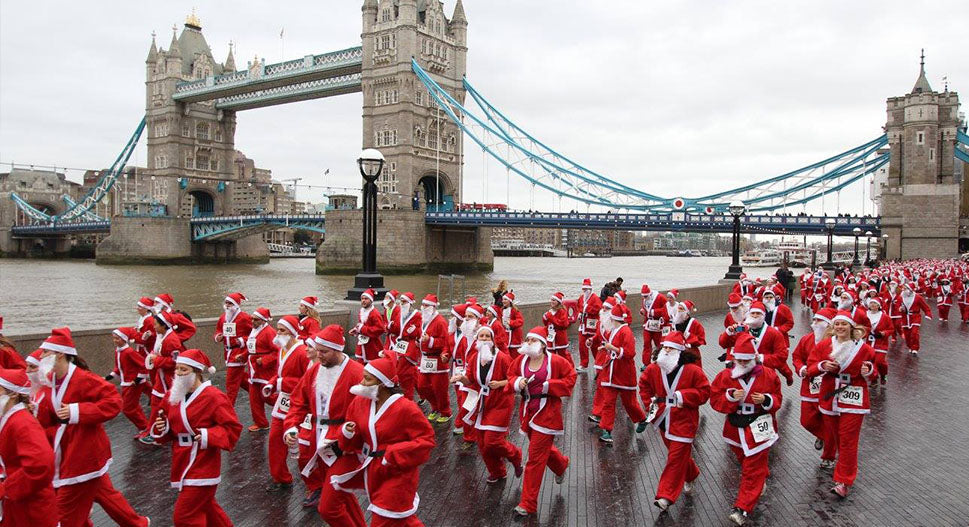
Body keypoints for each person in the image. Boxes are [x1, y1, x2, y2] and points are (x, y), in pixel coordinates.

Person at [34, 327, 149, 527]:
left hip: (83, 454)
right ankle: (138, 524)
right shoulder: (51, 380)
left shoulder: (83, 379)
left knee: (64, 514)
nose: (41, 355)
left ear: (60, 353)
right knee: (106, 495)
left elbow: (114, 402)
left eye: (45, 351)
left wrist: (77, 411)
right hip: (70, 453)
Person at [331, 356, 437, 527]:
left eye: (367, 378)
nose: (362, 383)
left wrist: (394, 454)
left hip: (398, 473)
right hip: (374, 471)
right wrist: (347, 432)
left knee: (384, 518)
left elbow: (427, 440)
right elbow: (350, 441)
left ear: (382, 383)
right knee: (403, 520)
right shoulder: (360, 402)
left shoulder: (406, 408)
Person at [284, 325, 366, 525]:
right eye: (317, 350)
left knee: (329, 506)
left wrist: (350, 441)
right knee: (342, 493)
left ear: (338, 350)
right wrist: (291, 426)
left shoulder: (356, 373)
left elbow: (365, 412)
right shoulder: (314, 371)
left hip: (342, 443)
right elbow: (298, 401)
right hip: (317, 438)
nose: (318, 356)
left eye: (323, 352)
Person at [151, 348, 242, 527]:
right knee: (208, 508)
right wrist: (163, 428)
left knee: (185, 516)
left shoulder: (214, 397)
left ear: (197, 372)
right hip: (181, 459)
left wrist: (207, 435)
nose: (178, 374)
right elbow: (162, 422)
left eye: (184, 370)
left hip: (203, 463)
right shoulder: (173, 395)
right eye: (177, 369)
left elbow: (232, 429)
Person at [710, 333, 783, 526]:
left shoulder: (769, 374)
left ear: (754, 358)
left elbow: (778, 399)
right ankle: (760, 478)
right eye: (739, 359)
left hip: (759, 424)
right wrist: (730, 397)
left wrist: (767, 400)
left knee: (752, 468)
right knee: (745, 460)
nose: (742, 363)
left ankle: (742, 508)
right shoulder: (725, 376)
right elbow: (715, 400)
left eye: (746, 359)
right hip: (735, 426)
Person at [805, 311, 876, 498]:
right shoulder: (825, 345)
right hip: (830, 395)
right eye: (837, 324)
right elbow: (810, 368)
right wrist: (822, 367)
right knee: (836, 438)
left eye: (844, 324)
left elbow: (875, 371)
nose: (840, 328)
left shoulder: (864, 349)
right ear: (833, 327)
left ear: (852, 327)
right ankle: (841, 465)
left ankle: (843, 480)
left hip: (854, 397)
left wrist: (868, 370)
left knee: (848, 441)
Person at [638, 332, 710, 513]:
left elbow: (704, 392)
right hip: (663, 419)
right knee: (677, 454)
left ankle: (665, 496)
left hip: (684, 419)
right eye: (665, 347)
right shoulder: (654, 369)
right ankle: (692, 473)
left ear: (679, 351)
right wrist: (649, 403)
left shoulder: (693, 370)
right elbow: (644, 384)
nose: (667, 350)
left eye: (671, 348)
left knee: (675, 458)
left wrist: (683, 396)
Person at [507, 327, 577, 517]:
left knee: (535, 457)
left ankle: (528, 503)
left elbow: (571, 377)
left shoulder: (555, 361)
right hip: (528, 413)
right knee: (542, 449)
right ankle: (561, 464)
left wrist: (550, 386)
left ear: (542, 344)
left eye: (532, 340)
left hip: (548, 414)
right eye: (527, 339)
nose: (528, 343)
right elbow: (510, 375)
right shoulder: (520, 361)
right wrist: (517, 382)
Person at [450, 325, 523, 483]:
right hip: (482, 403)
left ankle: (515, 454)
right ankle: (497, 471)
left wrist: (501, 383)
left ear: (492, 340)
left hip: (500, 402)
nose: (483, 339)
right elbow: (470, 379)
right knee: (483, 444)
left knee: (492, 441)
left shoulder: (503, 358)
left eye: (487, 337)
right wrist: (459, 378)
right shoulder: (474, 358)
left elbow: (514, 378)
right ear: (476, 339)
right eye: (481, 336)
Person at [0, 367, 57, 527]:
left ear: (13, 394)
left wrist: (7, 488)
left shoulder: (22, 423)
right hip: (20, 502)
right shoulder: (11, 417)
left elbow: (41, 465)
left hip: (31, 507)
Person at [261, 313, 308, 490]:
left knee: (303, 443)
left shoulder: (303, 353)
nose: (278, 333)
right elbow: (280, 374)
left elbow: (307, 381)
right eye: (278, 330)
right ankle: (280, 477)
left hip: (299, 406)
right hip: (283, 402)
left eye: (282, 330)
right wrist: (272, 384)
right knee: (274, 440)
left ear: (292, 332)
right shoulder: (282, 349)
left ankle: (314, 481)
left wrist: (281, 383)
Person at [595, 304, 648, 443]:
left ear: (613, 318)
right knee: (608, 402)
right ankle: (606, 431)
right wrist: (605, 348)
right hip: (611, 373)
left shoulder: (626, 332)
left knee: (629, 402)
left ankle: (642, 419)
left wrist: (611, 348)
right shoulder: (613, 330)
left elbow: (630, 353)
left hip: (624, 373)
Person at [791, 308, 835, 451]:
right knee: (807, 421)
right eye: (814, 320)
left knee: (829, 421)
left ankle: (829, 454)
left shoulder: (836, 342)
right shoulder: (806, 339)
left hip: (830, 388)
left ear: (829, 324)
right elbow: (797, 357)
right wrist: (801, 369)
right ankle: (826, 436)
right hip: (810, 386)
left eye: (819, 320)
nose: (815, 323)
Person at [719, 302, 794, 385]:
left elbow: (781, 356)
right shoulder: (742, 329)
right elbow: (723, 343)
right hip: (742, 375)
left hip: (765, 375)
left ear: (763, 316)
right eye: (752, 313)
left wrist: (762, 358)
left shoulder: (774, 333)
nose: (755, 315)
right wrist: (728, 332)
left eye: (758, 313)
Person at [145, 310, 185, 446]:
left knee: (163, 404)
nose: (154, 327)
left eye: (156, 324)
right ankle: (155, 432)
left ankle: (158, 432)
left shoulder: (172, 340)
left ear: (164, 325)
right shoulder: (161, 336)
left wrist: (156, 361)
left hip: (169, 378)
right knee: (157, 403)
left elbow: (175, 361)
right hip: (161, 378)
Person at [105, 326, 150, 438]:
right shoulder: (118, 351)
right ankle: (146, 428)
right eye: (114, 338)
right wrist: (109, 377)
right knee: (133, 407)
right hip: (127, 383)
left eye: (117, 338)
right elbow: (118, 367)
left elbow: (143, 365)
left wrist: (137, 379)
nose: (115, 341)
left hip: (133, 383)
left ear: (124, 339)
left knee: (128, 409)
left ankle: (145, 428)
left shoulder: (129, 352)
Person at [417, 294, 452, 424]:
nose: (423, 307)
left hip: (437, 360)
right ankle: (435, 407)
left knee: (440, 389)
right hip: (425, 359)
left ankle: (445, 411)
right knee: (422, 386)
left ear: (432, 307)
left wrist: (430, 340)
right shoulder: (423, 320)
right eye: (423, 305)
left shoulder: (440, 322)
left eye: (426, 305)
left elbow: (445, 342)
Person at [450, 304, 482, 446]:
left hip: (478, 379)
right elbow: (463, 357)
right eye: (466, 316)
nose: (467, 319)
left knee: (475, 407)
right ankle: (469, 436)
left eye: (471, 317)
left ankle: (477, 434)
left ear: (478, 319)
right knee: (465, 406)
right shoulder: (464, 339)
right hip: (466, 377)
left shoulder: (482, 337)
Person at [214, 292, 253, 406]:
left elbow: (254, 334)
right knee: (241, 380)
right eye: (226, 303)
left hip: (238, 353)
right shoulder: (223, 318)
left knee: (231, 384)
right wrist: (218, 336)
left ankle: (228, 408)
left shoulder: (244, 318)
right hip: (228, 352)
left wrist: (241, 340)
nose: (227, 305)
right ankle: (261, 395)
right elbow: (217, 330)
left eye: (230, 303)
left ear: (236, 305)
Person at [245, 307, 276, 434]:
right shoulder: (254, 331)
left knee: (267, 396)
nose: (252, 321)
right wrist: (243, 355)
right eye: (251, 318)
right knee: (254, 398)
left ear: (263, 321)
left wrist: (264, 360)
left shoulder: (269, 332)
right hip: (254, 370)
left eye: (255, 319)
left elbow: (277, 351)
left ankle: (290, 407)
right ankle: (261, 423)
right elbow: (251, 348)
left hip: (264, 370)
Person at [390, 292, 422, 401]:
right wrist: (391, 327)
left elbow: (419, 332)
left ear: (410, 303)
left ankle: (408, 399)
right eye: (401, 301)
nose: (401, 303)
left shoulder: (417, 315)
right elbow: (397, 329)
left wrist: (414, 331)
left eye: (404, 301)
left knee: (404, 373)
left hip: (410, 347)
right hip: (399, 346)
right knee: (408, 373)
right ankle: (421, 394)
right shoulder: (399, 314)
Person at [350, 288, 387, 364]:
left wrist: (362, 329)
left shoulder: (375, 314)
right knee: (361, 364)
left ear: (371, 300)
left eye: (366, 299)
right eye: (362, 299)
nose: (363, 300)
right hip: (362, 344)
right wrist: (356, 330)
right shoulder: (362, 311)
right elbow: (361, 324)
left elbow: (380, 329)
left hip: (372, 346)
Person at [894, 282, 932, 355]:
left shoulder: (917, 297)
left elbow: (925, 307)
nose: (903, 290)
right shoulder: (901, 297)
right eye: (903, 289)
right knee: (907, 334)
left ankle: (915, 348)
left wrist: (928, 314)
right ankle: (910, 346)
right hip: (905, 317)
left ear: (910, 289)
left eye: (905, 289)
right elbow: (897, 306)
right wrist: (899, 309)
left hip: (915, 316)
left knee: (914, 333)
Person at [864, 297, 893, 386]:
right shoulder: (865, 315)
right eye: (871, 303)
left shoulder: (885, 317)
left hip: (881, 342)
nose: (872, 305)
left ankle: (883, 374)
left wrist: (883, 333)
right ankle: (874, 379)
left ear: (879, 305)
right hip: (868, 342)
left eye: (875, 303)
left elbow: (891, 329)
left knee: (880, 361)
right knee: (870, 361)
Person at [576, 278, 603, 373]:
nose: (585, 291)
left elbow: (599, 309)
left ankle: (599, 364)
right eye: (583, 289)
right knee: (581, 345)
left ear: (590, 289)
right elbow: (579, 306)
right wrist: (580, 312)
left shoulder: (595, 298)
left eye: (586, 289)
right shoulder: (581, 298)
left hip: (592, 325)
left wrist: (587, 310)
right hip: (583, 325)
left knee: (594, 346)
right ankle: (583, 364)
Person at [671, 300, 706, 366]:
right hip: (676, 353)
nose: (678, 311)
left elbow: (701, 339)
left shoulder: (695, 323)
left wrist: (690, 337)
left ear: (686, 312)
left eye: (681, 309)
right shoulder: (674, 323)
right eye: (678, 308)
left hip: (690, 353)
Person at [640, 284, 668, 363]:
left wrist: (654, 312)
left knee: (659, 345)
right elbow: (646, 310)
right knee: (646, 344)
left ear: (650, 293)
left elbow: (666, 309)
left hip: (658, 326)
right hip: (648, 325)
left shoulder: (660, 297)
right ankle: (646, 363)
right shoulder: (644, 299)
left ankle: (661, 361)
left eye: (645, 296)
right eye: (643, 296)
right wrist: (643, 311)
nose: (644, 298)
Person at [543, 292, 573, 366]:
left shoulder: (562, 312)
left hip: (560, 337)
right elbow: (547, 324)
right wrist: (545, 318)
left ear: (558, 302)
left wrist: (550, 317)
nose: (552, 302)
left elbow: (562, 324)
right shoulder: (550, 311)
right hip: (551, 337)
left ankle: (569, 368)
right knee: (550, 355)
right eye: (551, 300)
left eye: (554, 300)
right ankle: (554, 369)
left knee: (563, 355)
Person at [500, 291, 525, 358]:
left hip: (514, 335)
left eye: (505, 299)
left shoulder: (514, 310)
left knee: (514, 354)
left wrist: (511, 322)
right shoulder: (502, 310)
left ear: (510, 301)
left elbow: (520, 321)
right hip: (506, 334)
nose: (503, 301)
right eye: (502, 299)